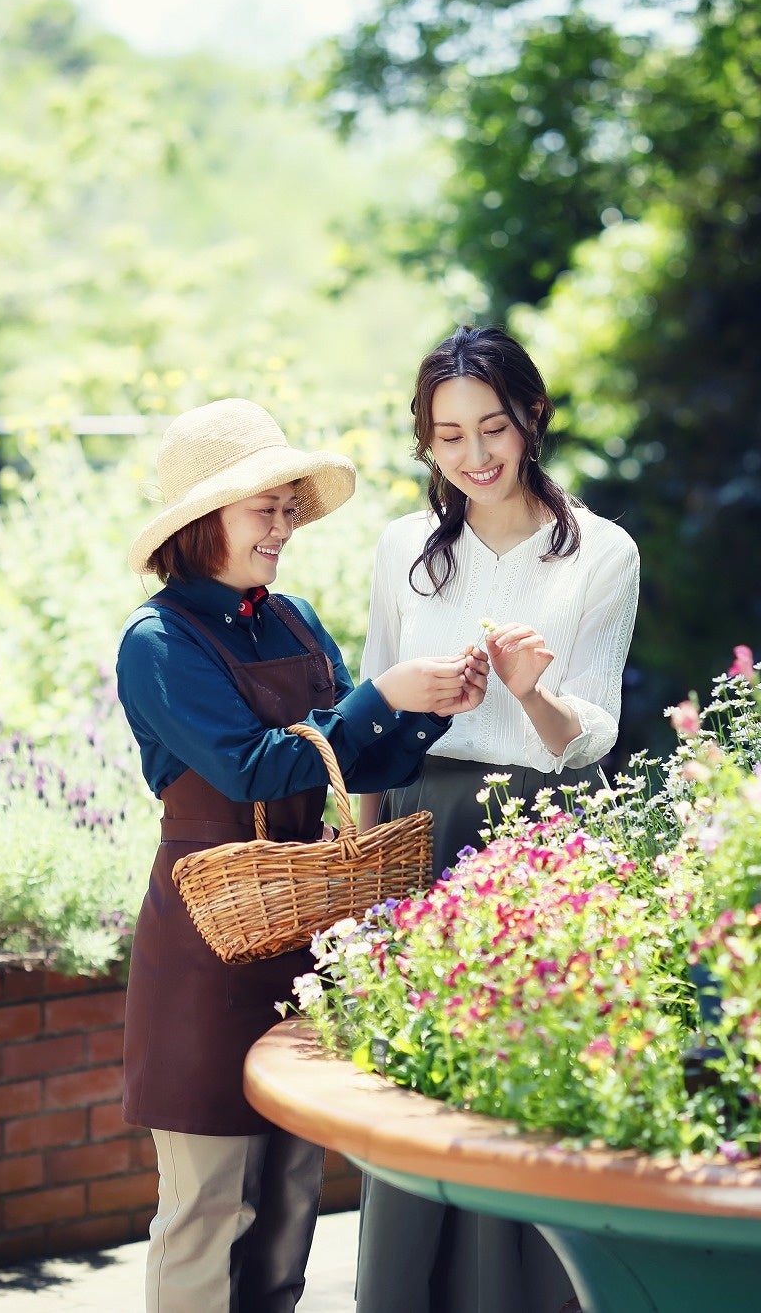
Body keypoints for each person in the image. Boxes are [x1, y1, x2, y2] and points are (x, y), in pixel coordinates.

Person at [116, 397, 488, 1313]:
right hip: (206, 941)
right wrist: (379, 692)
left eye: (289, 508)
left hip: (303, 928)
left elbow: (357, 753)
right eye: (265, 509)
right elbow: (252, 767)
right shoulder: (156, 641)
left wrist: (431, 705)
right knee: (207, 1206)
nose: (284, 527)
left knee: (288, 1199)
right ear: (204, 521)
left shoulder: (292, 618)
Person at [354, 327, 641, 1313]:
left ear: (533, 419)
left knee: (521, 1079)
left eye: (492, 427)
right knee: (413, 1076)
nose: (474, 455)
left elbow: (589, 731)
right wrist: (361, 861)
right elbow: (365, 713)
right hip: (418, 825)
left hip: (536, 835)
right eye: (447, 437)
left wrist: (530, 693)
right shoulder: (403, 548)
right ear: (425, 444)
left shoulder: (600, 552)